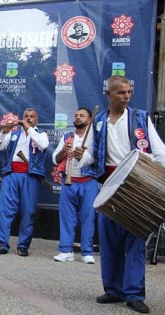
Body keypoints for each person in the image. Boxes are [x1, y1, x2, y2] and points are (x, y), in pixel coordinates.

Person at [92, 75, 165, 314]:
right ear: (109, 94)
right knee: (110, 241)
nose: (126, 97)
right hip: (109, 186)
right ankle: (113, 289)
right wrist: (80, 155)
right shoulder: (99, 120)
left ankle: (134, 293)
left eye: (129, 93)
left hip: (136, 184)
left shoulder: (140, 118)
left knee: (135, 242)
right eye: (121, 93)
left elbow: (159, 151)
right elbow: (92, 155)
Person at [0, 108, 49, 257]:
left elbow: (43, 145)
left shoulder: (40, 134)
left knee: (28, 211)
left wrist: (29, 129)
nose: (28, 119)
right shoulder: (14, 134)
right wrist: (4, 131)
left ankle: (23, 245)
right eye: (26, 116)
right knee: (4, 210)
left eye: (32, 117)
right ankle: (1, 244)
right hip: (11, 174)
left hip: (30, 176)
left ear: (36, 120)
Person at [52, 108, 97, 264]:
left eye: (82, 115)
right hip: (69, 182)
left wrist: (82, 155)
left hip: (88, 182)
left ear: (90, 120)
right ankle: (66, 250)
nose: (78, 117)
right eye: (76, 115)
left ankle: (87, 252)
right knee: (67, 218)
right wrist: (64, 152)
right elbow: (55, 159)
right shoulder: (67, 137)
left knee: (88, 217)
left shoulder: (94, 138)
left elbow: (97, 158)